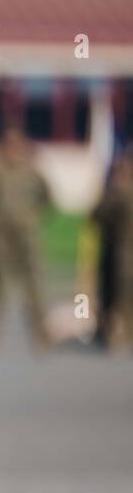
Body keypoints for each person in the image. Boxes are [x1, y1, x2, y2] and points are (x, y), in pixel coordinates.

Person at [0, 126, 53, 353]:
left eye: (17, 146)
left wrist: (31, 221)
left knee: (34, 286)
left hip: (28, 238)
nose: (12, 151)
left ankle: (40, 333)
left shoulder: (34, 175)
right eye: (8, 146)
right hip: (0, 239)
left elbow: (46, 201)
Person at [91, 144, 133, 350]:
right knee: (112, 293)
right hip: (114, 253)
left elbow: (97, 216)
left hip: (122, 254)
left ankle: (120, 333)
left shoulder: (120, 193)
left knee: (120, 294)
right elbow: (97, 217)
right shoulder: (118, 192)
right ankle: (111, 331)